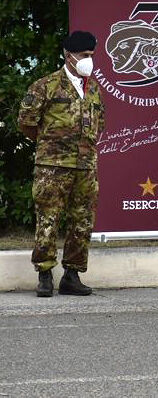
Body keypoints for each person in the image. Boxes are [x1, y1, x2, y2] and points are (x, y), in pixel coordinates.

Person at [18, 31, 105, 297]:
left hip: (85, 165)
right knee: (48, 220)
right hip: (52, 166)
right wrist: (50, 145)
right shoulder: (46, 86)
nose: (89, 60)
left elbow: (100, 123)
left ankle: (72, 275)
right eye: (85, 56)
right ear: (69, 56)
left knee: (82, 221)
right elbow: (26, 122)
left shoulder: (93, 88)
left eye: (92, 55)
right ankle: (45, 275)